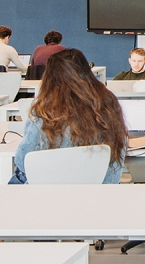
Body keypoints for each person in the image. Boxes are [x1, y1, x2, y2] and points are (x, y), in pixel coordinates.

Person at [11, 49, 126, 184]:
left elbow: (22, 160)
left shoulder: (45, 111)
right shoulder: (109, 104)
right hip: (98, 194)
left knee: (17, 177)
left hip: (47, 196)